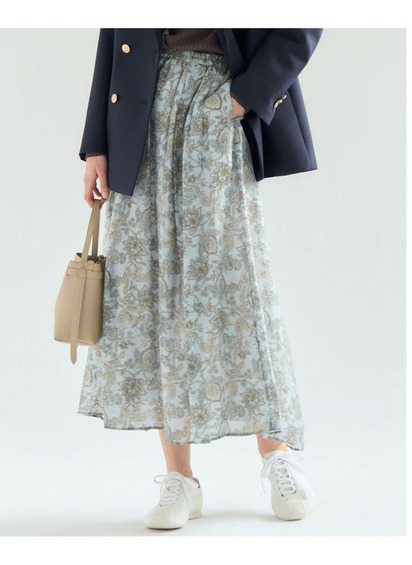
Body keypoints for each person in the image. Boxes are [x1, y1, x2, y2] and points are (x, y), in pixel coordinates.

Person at [78, 28, 323, 530]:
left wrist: (242, 98)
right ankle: (180, 478)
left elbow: (302, 22)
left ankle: (278, 456)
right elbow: (113, 34)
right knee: (157, 290)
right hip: (142, 112)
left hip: (218, 98)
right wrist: (96, 144)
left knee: (241, 285)